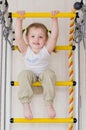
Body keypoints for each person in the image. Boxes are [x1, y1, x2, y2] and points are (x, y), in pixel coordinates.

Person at [15, 10, 59, 119]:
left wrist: (54, 20)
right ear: (27, 39)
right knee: (24, 74)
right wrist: (19, 21)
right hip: (30, 86)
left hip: (44, 86)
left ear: (45, 40)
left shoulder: (46, 50)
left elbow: (54, 37)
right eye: (33, 36)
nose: (36, 39)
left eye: (41, 37)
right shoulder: (26, 50)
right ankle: (26, 106)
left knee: (49, 73)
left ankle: (49, 105)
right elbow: (18, 38)